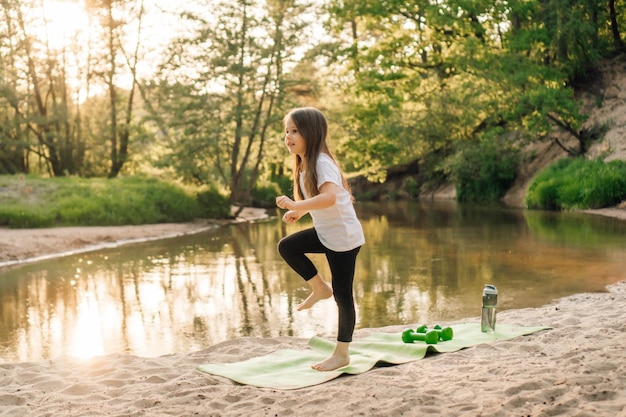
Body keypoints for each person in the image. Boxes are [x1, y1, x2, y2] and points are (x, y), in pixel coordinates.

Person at [276, 107, 365, 372]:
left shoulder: (322, 162)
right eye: (286, 132)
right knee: (288, 246)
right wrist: (299, 211)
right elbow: (320, 201)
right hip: (327, 234)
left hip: (343, 239)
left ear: (311, 133)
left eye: (295, 131)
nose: (288, 137)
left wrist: (295, 202)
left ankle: (342, 353)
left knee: (343, 296)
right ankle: (319, 288)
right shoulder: (305, 164)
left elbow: (330, 198)